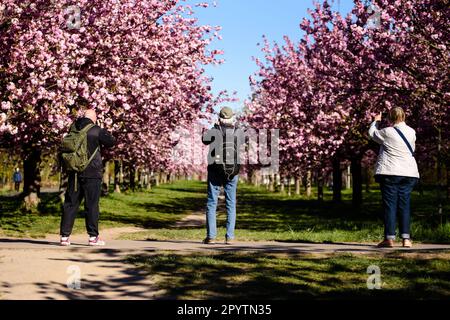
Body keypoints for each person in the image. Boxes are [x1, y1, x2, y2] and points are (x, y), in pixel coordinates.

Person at [60, 109, 115, 246]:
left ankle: (64, 237)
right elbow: (111, 142)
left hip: (74, 172)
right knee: (91, 204)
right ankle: (93, 237)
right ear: (94, 118)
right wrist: (101, 127)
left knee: (70, 203)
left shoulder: (73, 129)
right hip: (92, 173)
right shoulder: (96, 130)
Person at [369, 107, 420, 248]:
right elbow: (412, 148)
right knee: (404, 205)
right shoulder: (412, 132)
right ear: (404, 116)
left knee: (390, 205)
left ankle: (389, 239)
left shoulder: (387, 132)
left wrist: (375, 122)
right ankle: (406, 239)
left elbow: (372, 134)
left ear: (390, 118)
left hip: (390, 172)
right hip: (409, 173)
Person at [202, 107, 241, 245]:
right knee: (231, 204)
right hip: (232, 172)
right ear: (232, 118)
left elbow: (204, 140)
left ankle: (211, 236)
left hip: (215, 171)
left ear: (219, 118)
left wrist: (215, 127)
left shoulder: (214, 131)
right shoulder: (238, 131)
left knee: (212, 203)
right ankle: (229, 237)